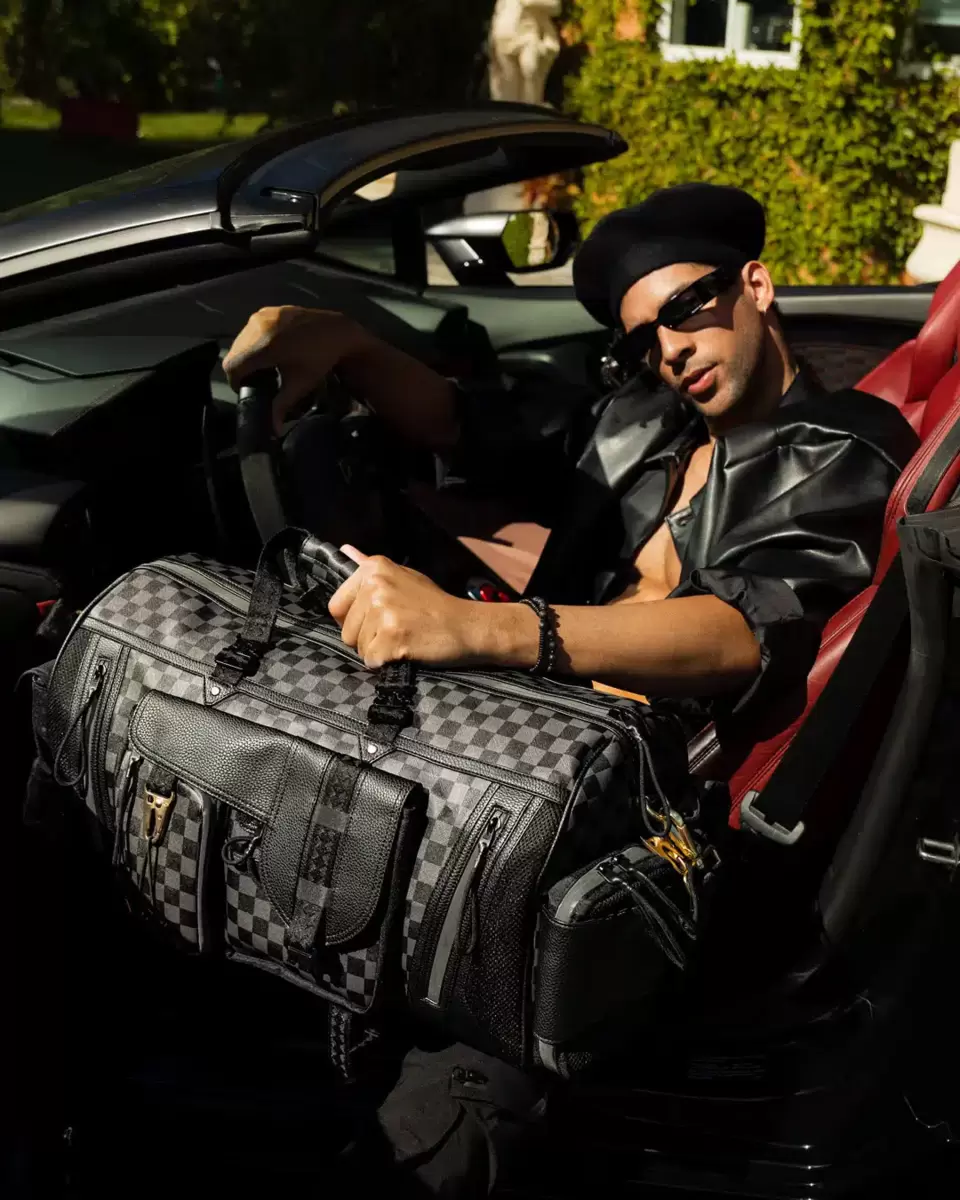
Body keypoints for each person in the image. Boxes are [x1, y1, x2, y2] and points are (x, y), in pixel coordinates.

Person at [222, 182, 920, 1195]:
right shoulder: (649, 424)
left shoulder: (842, 447)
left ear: (757, 286)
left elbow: (744, 630)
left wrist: (489, 630)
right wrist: (351, 347)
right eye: (643, 339)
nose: (671, 349)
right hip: (524, 742)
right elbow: (483, 438)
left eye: (688, 308)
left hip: (618, 822)